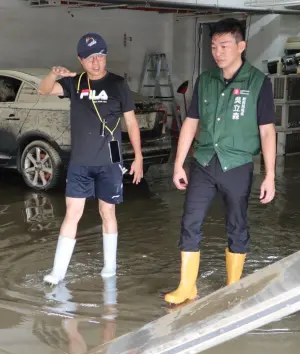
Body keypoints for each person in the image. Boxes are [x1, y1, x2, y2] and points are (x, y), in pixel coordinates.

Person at [164, 18, 276, 305]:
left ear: (241, 46)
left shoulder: (258, 82)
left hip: (237, 164)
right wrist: (178, 163)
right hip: (203, 161)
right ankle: (187, 286)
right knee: (190, 220)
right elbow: (191, 122)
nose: (218, 51)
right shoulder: (206, 80)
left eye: (224, 45)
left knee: (236, 224)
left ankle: (233, 287)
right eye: (214, 46)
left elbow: (266, 131)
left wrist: (270, 175)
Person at [39, 33, 143, 285]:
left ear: (106, 56)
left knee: (107, 211)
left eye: (100, 56)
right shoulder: (74, 83)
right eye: (90, 58)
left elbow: (130, 122)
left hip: (111, 159)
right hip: (81, 162)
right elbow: (43, 90)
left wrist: (138, 157)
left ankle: (109, 267)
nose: (96, 63)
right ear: (80, 60)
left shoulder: (118, 84)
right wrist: (54, 73)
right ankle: (58, 272)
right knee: (72, 213)